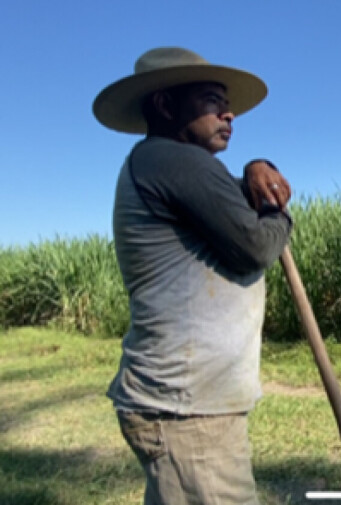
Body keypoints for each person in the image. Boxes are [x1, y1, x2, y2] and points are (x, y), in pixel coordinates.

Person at [93, 47, 293, 504]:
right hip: (187, 410)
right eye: (210, 100)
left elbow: (227, 205)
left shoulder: (160, 162)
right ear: (165, 106)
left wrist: (253, 169)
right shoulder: (172, 159)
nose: (229, 114)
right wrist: (278, 215)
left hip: (184, 405)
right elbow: (255, 245)